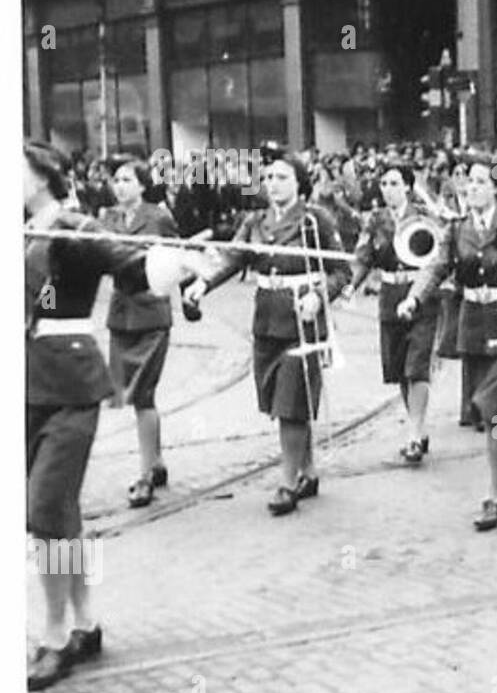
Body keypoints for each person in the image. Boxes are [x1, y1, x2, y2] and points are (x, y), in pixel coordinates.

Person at [25, 141, 208, 690]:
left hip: (71, 385)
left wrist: (177, 262)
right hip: (25, 385)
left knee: (46, 509)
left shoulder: (74, 228)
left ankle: (55, 634)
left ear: (42, 176)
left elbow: (130, 266)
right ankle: (86, 622)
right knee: (60, 518)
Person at [183, 147, 349, 515]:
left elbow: (341, 270)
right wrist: (202, 285)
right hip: (267, 321)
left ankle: (287, 482)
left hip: (303, 323)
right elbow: (233, 258)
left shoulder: (315, 220)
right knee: (281, 400)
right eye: (269, 178)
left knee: (291, 402)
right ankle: (307, 471)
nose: (273, 184)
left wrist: (319, 297)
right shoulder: (255, 221)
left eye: (282, 177)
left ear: (299, 183)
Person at [401, 154, 497, 531]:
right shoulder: (455, 229)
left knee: (493, 407)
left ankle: (493, 493)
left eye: (480, 181)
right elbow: (436, 267)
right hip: (474, 325)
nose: (471, 188)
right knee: (494, 414)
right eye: (468, 181)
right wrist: (414, 297)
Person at [344, 162, 439, 463]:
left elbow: (438, 254)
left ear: (408, 187)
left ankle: (412, 434)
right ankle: (418, 429)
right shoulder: (375, 220)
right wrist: (351, 284)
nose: (388, 189)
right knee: (400, 368)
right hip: (389, 296)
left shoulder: (424, 217)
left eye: (394, 183)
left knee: (418, 365)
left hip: (420, 295)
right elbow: (364, 257)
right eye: (384, 184)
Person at [100, 157, 179, 507]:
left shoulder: (159, 217)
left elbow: (177, 258)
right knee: (134, 396)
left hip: (151, 313)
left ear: (143, 185)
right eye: (116, 180)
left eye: (127, 180)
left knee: (142, 393)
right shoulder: (106, 219)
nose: (120, 186)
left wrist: (191, 292)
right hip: (121, 315)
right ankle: (157, 461)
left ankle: (146, 474)